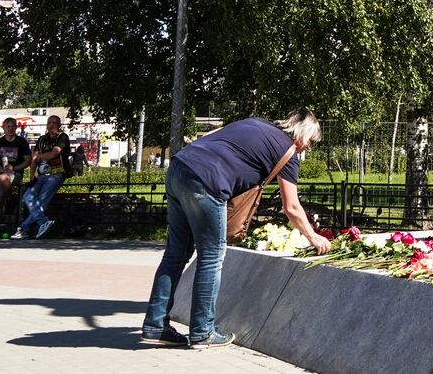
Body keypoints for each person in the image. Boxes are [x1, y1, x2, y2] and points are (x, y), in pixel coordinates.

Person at [141, 109, 331, 349]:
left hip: (179, 167)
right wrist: (313, 236)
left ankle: (155, 325)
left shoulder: (255, 122)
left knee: (175, 254)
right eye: (311, 141)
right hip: (207, 182)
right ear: (302, 133)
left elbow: (209, 135)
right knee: (211, 258)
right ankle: (202, 332)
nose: (309, 148)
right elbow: (291, 206)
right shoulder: (289, 152)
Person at [13, 115, 70, 240]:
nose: (51, 125)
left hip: (56, 173)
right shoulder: (42, 139)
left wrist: (39, 157)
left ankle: (24, 229)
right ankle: (43, 222)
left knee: (42, 201)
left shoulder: (62, 137)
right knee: (27, 196)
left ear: (59, 125)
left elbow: (54, 153)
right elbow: (33, 159)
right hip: (41, 175)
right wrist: (32, 176)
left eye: (54, 122)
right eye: (49, 122)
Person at [0, 118, 32, 238]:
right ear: (3, 128)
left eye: (13, 126)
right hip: (0, 174)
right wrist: (2, 170)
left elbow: (28, 160)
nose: (11, 129)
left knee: (4, 179)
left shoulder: (21, 142)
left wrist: (15, 168)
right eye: (8, 126)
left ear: (16, 127)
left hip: (15, 173)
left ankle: (10, 200)